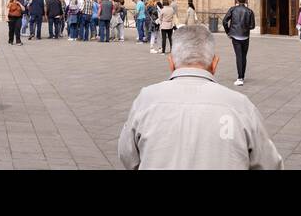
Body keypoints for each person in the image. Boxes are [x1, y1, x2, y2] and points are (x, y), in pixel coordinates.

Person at [118, 25, 282, 170]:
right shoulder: (240, 106)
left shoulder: (146, 100)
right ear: (214, 63)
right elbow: (270, 164)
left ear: (171, 63)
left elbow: (128, 157)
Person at [222, 0, 256, 85]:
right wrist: (245, 26)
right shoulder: (249, 11)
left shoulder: (233, 9)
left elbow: (224, 21)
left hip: (235, 36)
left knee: (239, 56)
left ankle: (240, 78)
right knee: (244, 56)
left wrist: (228, 32)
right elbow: (252, 26)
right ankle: (242, 76)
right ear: (245, 1)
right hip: (245, 36)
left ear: (237, 1)